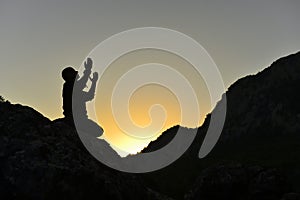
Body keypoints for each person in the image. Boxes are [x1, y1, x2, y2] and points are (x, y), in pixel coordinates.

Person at [61, 58, 103, 138]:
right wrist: (87, 70)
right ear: (70, 76)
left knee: (99, 131)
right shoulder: (69, 86)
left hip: (80, 119)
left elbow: (90, 96)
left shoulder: (74, 90)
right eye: (74, 74)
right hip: (75, 119)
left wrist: (93, 82)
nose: (77, 75)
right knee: (98, 131)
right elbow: (82, 83)